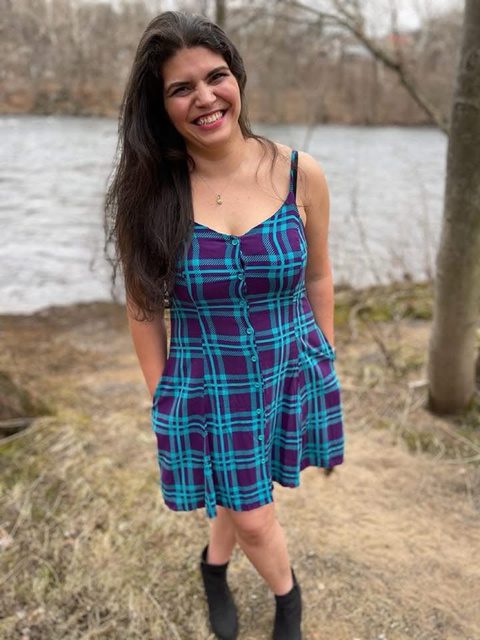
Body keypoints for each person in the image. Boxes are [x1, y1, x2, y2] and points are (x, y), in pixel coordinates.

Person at [105, 10, 344, 640]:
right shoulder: (148, 196)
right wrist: (162, 394)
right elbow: (142, 307)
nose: (205, 97)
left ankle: (214, 565)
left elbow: (318, 275)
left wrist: (323, 354)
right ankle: (288, 601)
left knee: (243, 491)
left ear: (236, 77)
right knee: (255, 515)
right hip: (207, 382)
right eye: (181, 88)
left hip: (287, 366)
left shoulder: (300, 173)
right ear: (160, 106)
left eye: (215, 77)